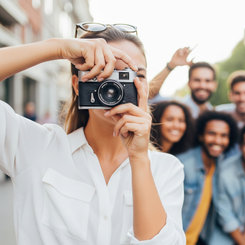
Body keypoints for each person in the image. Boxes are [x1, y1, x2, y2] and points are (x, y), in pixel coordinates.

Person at [0, 24, 185, 244]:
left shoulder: (166, 169)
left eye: (134, 74)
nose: (115, 85)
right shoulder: (36, 147)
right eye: (104, 70)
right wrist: (58, 48)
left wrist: (139, 158)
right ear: (78, 86)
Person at [177, 111, 239, 245]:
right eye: (212, 133)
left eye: (224, 135)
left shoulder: (218, 165)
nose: (218, 140)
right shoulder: (183, 165)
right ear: (201, 136)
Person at [148, 48, 217, 118]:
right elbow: (149, 95)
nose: (202, 85)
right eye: (197, 80)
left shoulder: (216, 115)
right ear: (189, 83)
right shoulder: (174, 106)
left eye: (207, 81)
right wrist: (171, 65)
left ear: (214, 85)